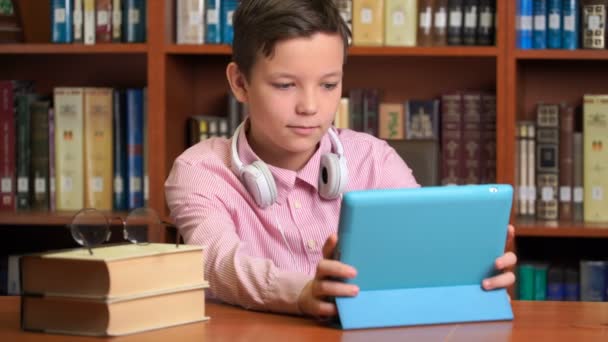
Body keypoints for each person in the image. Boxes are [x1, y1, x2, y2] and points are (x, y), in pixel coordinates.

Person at [165, 0, 516, 318]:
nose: (310, 107)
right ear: (240, 83)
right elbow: (217, 261)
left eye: (329, 85)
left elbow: (421, 254)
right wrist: (300, 292)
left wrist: (468, 272)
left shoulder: (374, 160)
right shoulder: (201, 171)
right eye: (286, 85)